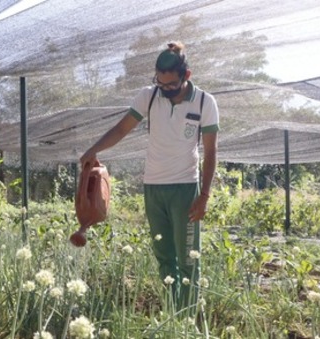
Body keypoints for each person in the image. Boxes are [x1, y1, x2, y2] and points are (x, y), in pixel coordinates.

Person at [80, 42, 219, 313]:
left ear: (186, 76)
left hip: (185, 189)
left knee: (189, 258)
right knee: (164, 256)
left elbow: (211, 151)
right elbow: (121, 129)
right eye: (160, 82)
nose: (164, 89)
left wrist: (204, 195)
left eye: (171, 84)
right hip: (153, 187)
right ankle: (172, 313)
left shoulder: (205, 102)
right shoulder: (150, 96)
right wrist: (93, 149)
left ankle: (187, 319)